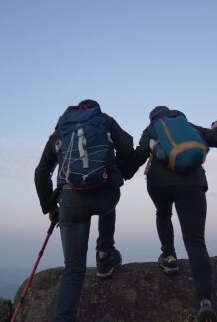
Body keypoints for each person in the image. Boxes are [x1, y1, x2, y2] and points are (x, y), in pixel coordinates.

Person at [34, 99, 134, 322]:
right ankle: (105, 254)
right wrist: (118, 171)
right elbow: (128, 147)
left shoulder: (61, 130)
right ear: (95, 109)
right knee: (109, 199)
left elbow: (41, 173)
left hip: (70, 200)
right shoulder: (105, 121)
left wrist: (50, 207)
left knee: (74, 271)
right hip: (105, 195)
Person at [127, 106, 217, 322]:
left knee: (163, 213)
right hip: (193, 183)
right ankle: (205, 302)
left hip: (159, 184)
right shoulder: (188, 127)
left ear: (153, 118)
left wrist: (121, 172)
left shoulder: (152, 129)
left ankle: (169, 257)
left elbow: (138, 157)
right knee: (196, 241)